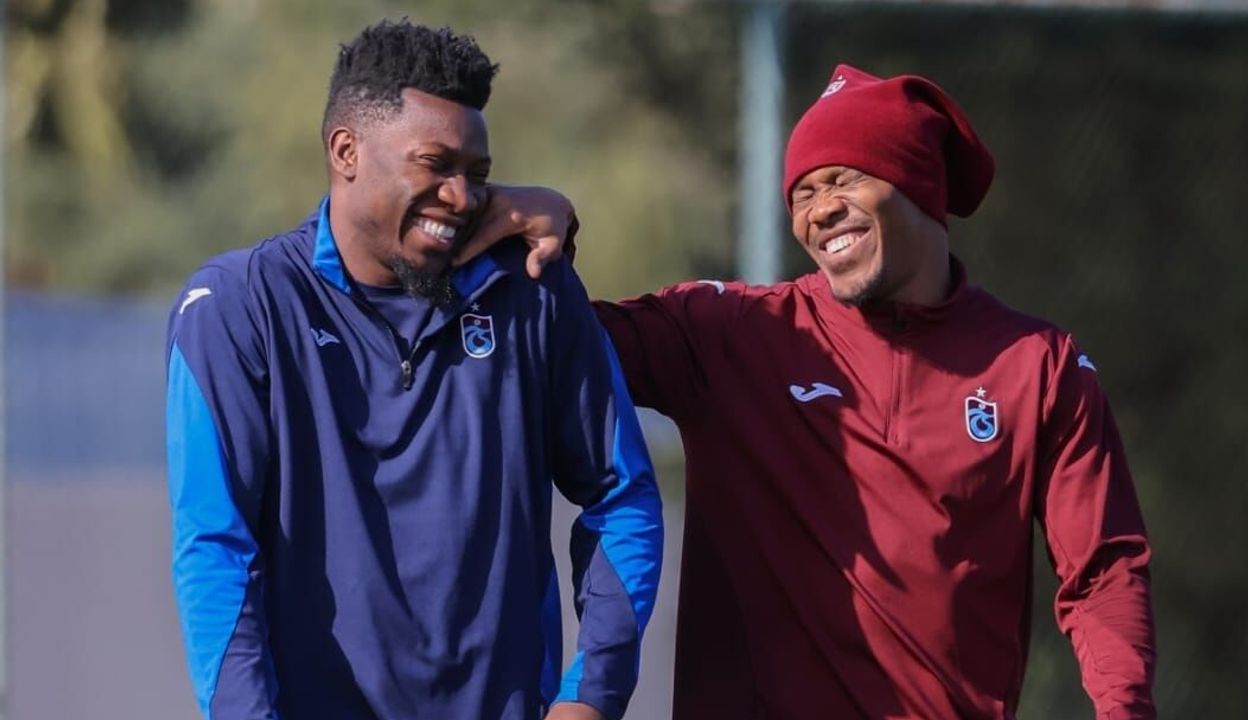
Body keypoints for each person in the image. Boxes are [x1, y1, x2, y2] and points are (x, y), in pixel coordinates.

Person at [493, 64, 1157, 718]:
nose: (820, 209)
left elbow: (1103, 570)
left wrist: (1124, 707)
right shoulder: (734, 332)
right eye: (802, 194)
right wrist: (527, 226)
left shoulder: (1040, 365)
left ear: (918, 182)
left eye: (845, 179)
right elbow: (540, 343)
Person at [164, 20, 662, 720]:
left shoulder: (533, 291)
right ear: (346, 151)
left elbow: (621, 496)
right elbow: (215, 547)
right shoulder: (237, 307)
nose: (462, 197)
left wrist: (592, 695)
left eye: (478, 174)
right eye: (436, 165)